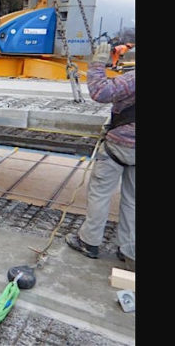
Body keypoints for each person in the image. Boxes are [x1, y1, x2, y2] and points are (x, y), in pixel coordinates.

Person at [65, 41, 135, 271]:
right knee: (133, 200)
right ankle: (128, 249)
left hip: (120, 146)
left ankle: (89, 241)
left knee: (100, 193)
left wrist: (97, 64)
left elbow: (100, 92)